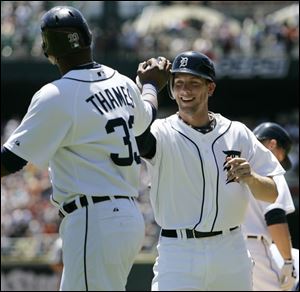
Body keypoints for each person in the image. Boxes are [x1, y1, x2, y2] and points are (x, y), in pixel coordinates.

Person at [1, 6, 170, 291]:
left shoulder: (56, 94)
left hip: (95, 218)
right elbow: (146, 119)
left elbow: (10, 160)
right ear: (88, 37)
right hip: (126, 218)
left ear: (47, 50)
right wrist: (151, 86)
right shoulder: (123, 82)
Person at [136, 50, 285, 291]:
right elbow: (137, 134)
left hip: (231, 249)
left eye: (194, 83)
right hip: (179, 252)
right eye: (179, 84)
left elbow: (272, 192)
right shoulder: (160, 132)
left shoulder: (237, 132)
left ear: (210, 88)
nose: (185, 91)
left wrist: (251, 178)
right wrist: (149, 86)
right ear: (172, 89)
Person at [242, 122, 298, 291]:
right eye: (283, 154)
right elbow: (275, 218)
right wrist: (288, 261)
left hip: (225, 245)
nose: (281, 160)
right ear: (273, 144)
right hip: (255, 250)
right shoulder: (271, 170)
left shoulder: (236, 165)